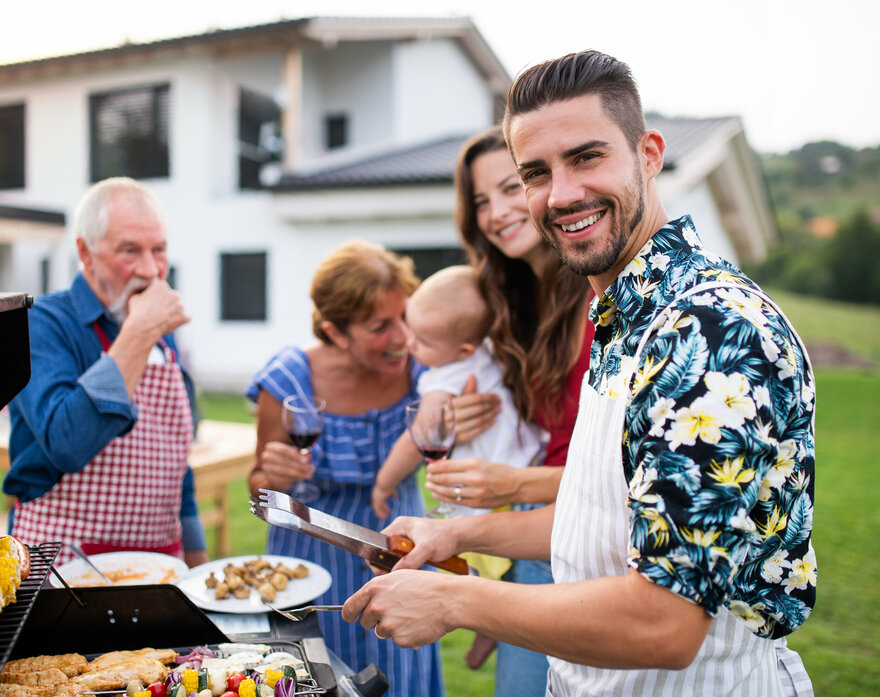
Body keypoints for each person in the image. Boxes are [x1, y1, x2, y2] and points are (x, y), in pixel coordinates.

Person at [343, 50, 816, 697]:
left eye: (587, 157)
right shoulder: (619, 312)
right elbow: (604, 516)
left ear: (648, 154)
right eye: (535, 173)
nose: (561, 194)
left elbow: (664, 623)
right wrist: (456, 531)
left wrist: (457, 600)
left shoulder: (707, 329)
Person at [247, 240, 470, 697]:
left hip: (399, 558)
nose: (401, 337)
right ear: (335, 330)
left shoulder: (423, 369)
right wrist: (273, 476)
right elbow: (259, 483)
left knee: (399, 680)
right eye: (379, 327)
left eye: (403, 317)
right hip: (309, 569)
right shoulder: (288, 380)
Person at [433, 126, 595, 690]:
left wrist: (513, 485)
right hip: (536, 542)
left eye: (511, 187)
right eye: (480, 201)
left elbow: (618, 474)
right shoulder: (510, 307)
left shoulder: (601, 302)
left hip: (584, 547)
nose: (497, 212)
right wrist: (452, 414)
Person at [5, 177, 208, 568]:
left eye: (159, 250)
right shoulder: (42, 323)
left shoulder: (165, 341)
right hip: (59, 567)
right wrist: (140, 332)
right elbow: (66, 442)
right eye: (129, 250)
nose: (150, 271)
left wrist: (199, 563)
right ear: (85, 252)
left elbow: (175, 464)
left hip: (160, 567)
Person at [371, 264, 548, 525]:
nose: (409, 343)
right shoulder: (489, 350)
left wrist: (384, 484)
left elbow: (422, 436)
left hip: (489, 487)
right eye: (412, 329)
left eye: (424, 341)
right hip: (528, 466)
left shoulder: (447, 376)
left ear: (464, 350)